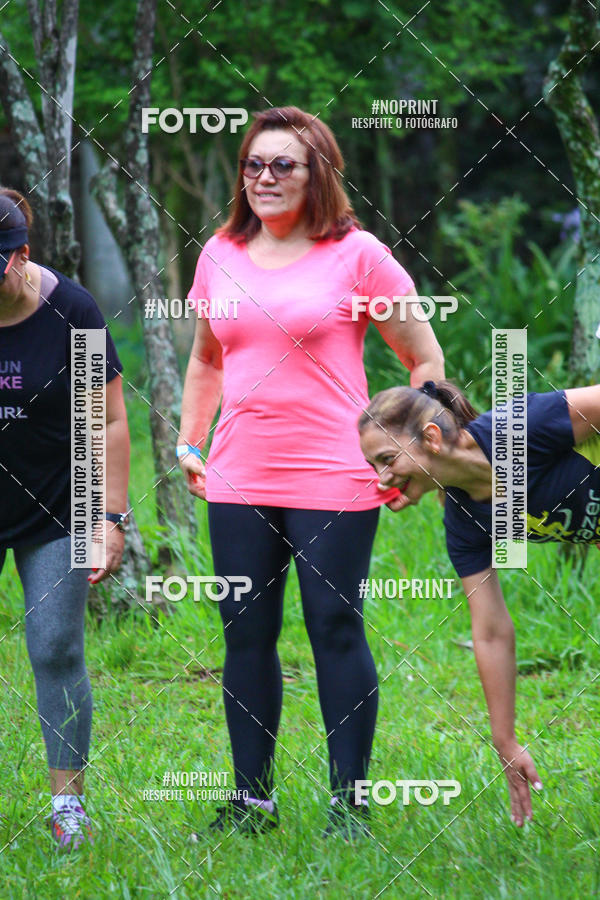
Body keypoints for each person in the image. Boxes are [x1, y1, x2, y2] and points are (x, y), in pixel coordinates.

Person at [177, 106, 444, 837]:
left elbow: (423, 358)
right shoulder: (220, 252)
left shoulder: (357, 255)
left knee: (334, 626)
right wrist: (190, 442)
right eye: (252, 165)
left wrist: (414, 452)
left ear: (316, 172)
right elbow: (205, 358)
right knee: (245, 632)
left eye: (282, 165)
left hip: (334, 470)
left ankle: (349, 804)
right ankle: (252, 802)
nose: (264, 177)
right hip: (239, 473)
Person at [358, 379, 600, 828]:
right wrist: (505, 741)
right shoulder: (465, 520)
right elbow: (490, 632)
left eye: (388, 459)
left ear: (431, 437)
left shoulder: (521, 427)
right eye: (374, 465)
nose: (382, 478)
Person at [0, 188, 130, 850]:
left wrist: (108, 518)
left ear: (20, 255)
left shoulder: (71, 312)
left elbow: (105, 421)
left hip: (59, 502)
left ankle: (67, 806)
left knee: (55, 646)